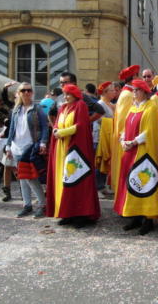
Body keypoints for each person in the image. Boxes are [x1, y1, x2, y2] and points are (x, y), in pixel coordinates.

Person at [46, 84, 101, 228]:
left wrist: (62, 133)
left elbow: (81, 125)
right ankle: (67, 212)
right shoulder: (63, 107)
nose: (65, 97)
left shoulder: (80, 105)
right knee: (64, 181)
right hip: (62, 150)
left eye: (68, 94)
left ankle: (80, 214)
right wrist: (56, 130)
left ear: (75, 95)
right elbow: (57, 122)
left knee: (77, 182)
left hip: (76, 151)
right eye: (64, 94)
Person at [113, 79, 158, 235]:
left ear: (144, 92)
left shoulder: (151, 107)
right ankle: (135, 217)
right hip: (130, 151)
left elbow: (149, 131)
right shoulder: (133, 108)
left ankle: (148, 220)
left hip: (143, 153)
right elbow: (125, 128)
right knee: (130, 184)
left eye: (137, 90)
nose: (134, 93)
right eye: (133, 90)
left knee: (144, 183)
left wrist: (133, 142)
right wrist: (123, 140)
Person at [6, 83, 49, 218]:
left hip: (30, 146)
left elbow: (44, 126)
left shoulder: (37, 109)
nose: (26, 93)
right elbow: (12, 128)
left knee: (31, 177)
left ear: (32, 93)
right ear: (18, 93)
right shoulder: (16, 110)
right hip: (16, 146)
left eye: (29, 90)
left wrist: (43, 142)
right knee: (22, 178)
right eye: (23, 90)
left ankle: (42, 204)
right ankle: (27, 204)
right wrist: (8, 146)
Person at [111, 65, 140, 196]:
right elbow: (124, 119)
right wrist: (127, 138)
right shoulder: (128, 94)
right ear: (133, 77)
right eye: (137, 75)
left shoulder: (126, 93)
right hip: (126, 139)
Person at [93, 81, 116, 194]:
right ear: (105, 92)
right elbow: (99, 120)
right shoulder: (100, 104)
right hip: (100, 138)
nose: (115, 92)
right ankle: (98, 188)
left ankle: (102, 186)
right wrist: (114, 122)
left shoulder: (109, 104)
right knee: (99, 161)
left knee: (105, 162)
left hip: (107, 137)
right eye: (112, 90)